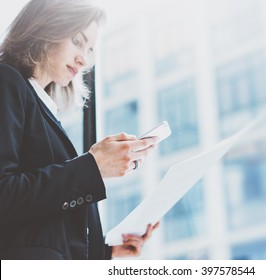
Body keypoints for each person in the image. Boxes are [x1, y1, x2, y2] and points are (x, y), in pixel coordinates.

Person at [0, 0, 159, 260]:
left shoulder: (45, 110)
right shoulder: (6, 82)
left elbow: (44, 223)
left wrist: (107, 253)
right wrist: (92, 167)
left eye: (90, 48)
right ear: (46, 28)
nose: (84, 59)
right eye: (77, 40)